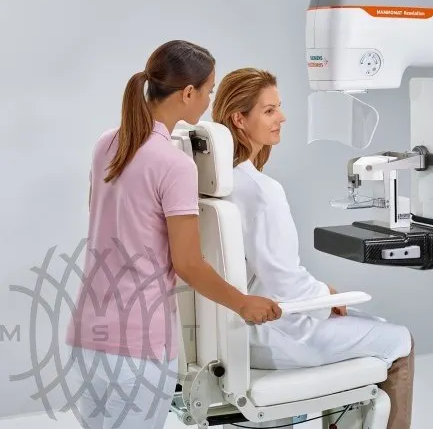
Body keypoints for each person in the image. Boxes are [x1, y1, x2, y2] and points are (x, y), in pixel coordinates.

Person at [66, 41, 282, 429]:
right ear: (188, 93)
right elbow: (188, 264)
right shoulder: (175, 166)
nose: (209, 101)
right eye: (209, 91)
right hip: (138, 348)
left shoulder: (106, 145)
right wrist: (243, 303)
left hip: (86, 338)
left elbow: (102, 219)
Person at [212, 67, 415, 429]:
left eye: (279, 107)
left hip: (224, 333)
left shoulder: (214, 183)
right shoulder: (261, 192)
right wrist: (326, 295)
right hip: (269, 333)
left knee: (368, 324)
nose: (282, 117)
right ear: (239, 119)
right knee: (399, 340)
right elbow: (285, 282)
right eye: (269, 110)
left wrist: (323, 295)